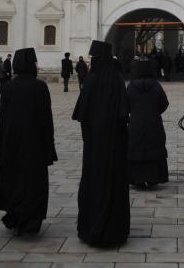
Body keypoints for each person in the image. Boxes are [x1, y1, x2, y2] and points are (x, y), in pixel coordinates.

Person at [0, 47, 57, 235]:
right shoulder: (39, 86)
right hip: (34, 142)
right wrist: (49, 145)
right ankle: (31, 220)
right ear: (31, 65)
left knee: (13, 179)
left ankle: (14, 216)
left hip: (11, 142)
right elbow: (46, 119)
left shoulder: (8, 87)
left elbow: (1, 118)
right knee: (33, 181)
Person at [72, 40, 130, 247]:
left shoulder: (90, 80)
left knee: (93, 181)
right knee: (113, 181)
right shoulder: (117, 80)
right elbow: (124, 115)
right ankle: (114, 231)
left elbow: (82, 114)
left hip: (94, 146)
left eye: (92, 59)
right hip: (114, 145)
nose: (90, 63)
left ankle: (90, 228)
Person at [126, 60, 169, 188]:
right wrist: (154, 112)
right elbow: (164, 103)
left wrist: (134, 112)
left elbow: (126, 104)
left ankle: (137, 178)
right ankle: (153, 178)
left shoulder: (131, 86)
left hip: (136, 122)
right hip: (154, 122)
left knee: (136, 148)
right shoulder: (156, 85)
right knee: (154, 147)